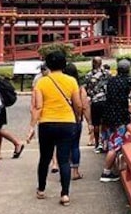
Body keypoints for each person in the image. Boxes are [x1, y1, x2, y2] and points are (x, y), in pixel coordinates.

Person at [27, 51, 88, 205]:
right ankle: (65, 194)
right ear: (64, 64)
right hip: (67, 123)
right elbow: (78, 104)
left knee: (45, 158)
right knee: (63, 160)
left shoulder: (41, 82)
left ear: (48, 65)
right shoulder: (71, 81)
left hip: (46, 123)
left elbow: (38, 106)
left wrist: (32, 126)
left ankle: (41, 189)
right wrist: (78, 117)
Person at [99, 54, 131, 183]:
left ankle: (115, 163)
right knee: (114, 146)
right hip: (119, 117)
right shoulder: (127, 80)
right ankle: (106, 172)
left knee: (111, 141)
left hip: (107, 115)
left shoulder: (111, 80)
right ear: (128, 69)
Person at [64, 62, 88, 181]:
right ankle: (75, 172)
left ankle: (65, 171)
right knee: (74, 145)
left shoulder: (60, 86)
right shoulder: (79, 88)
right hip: (75, 119)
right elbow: (83, 105)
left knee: (63, 146)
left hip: (62, 119)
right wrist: (89, 122)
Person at [84, 57, 110, 151]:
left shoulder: (89, 75)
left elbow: (87, 89)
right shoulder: (107, 73)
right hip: (105, 100)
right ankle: (105, 142)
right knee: (105, 123)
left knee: (96, 124)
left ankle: (97, 143)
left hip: (95, 101)